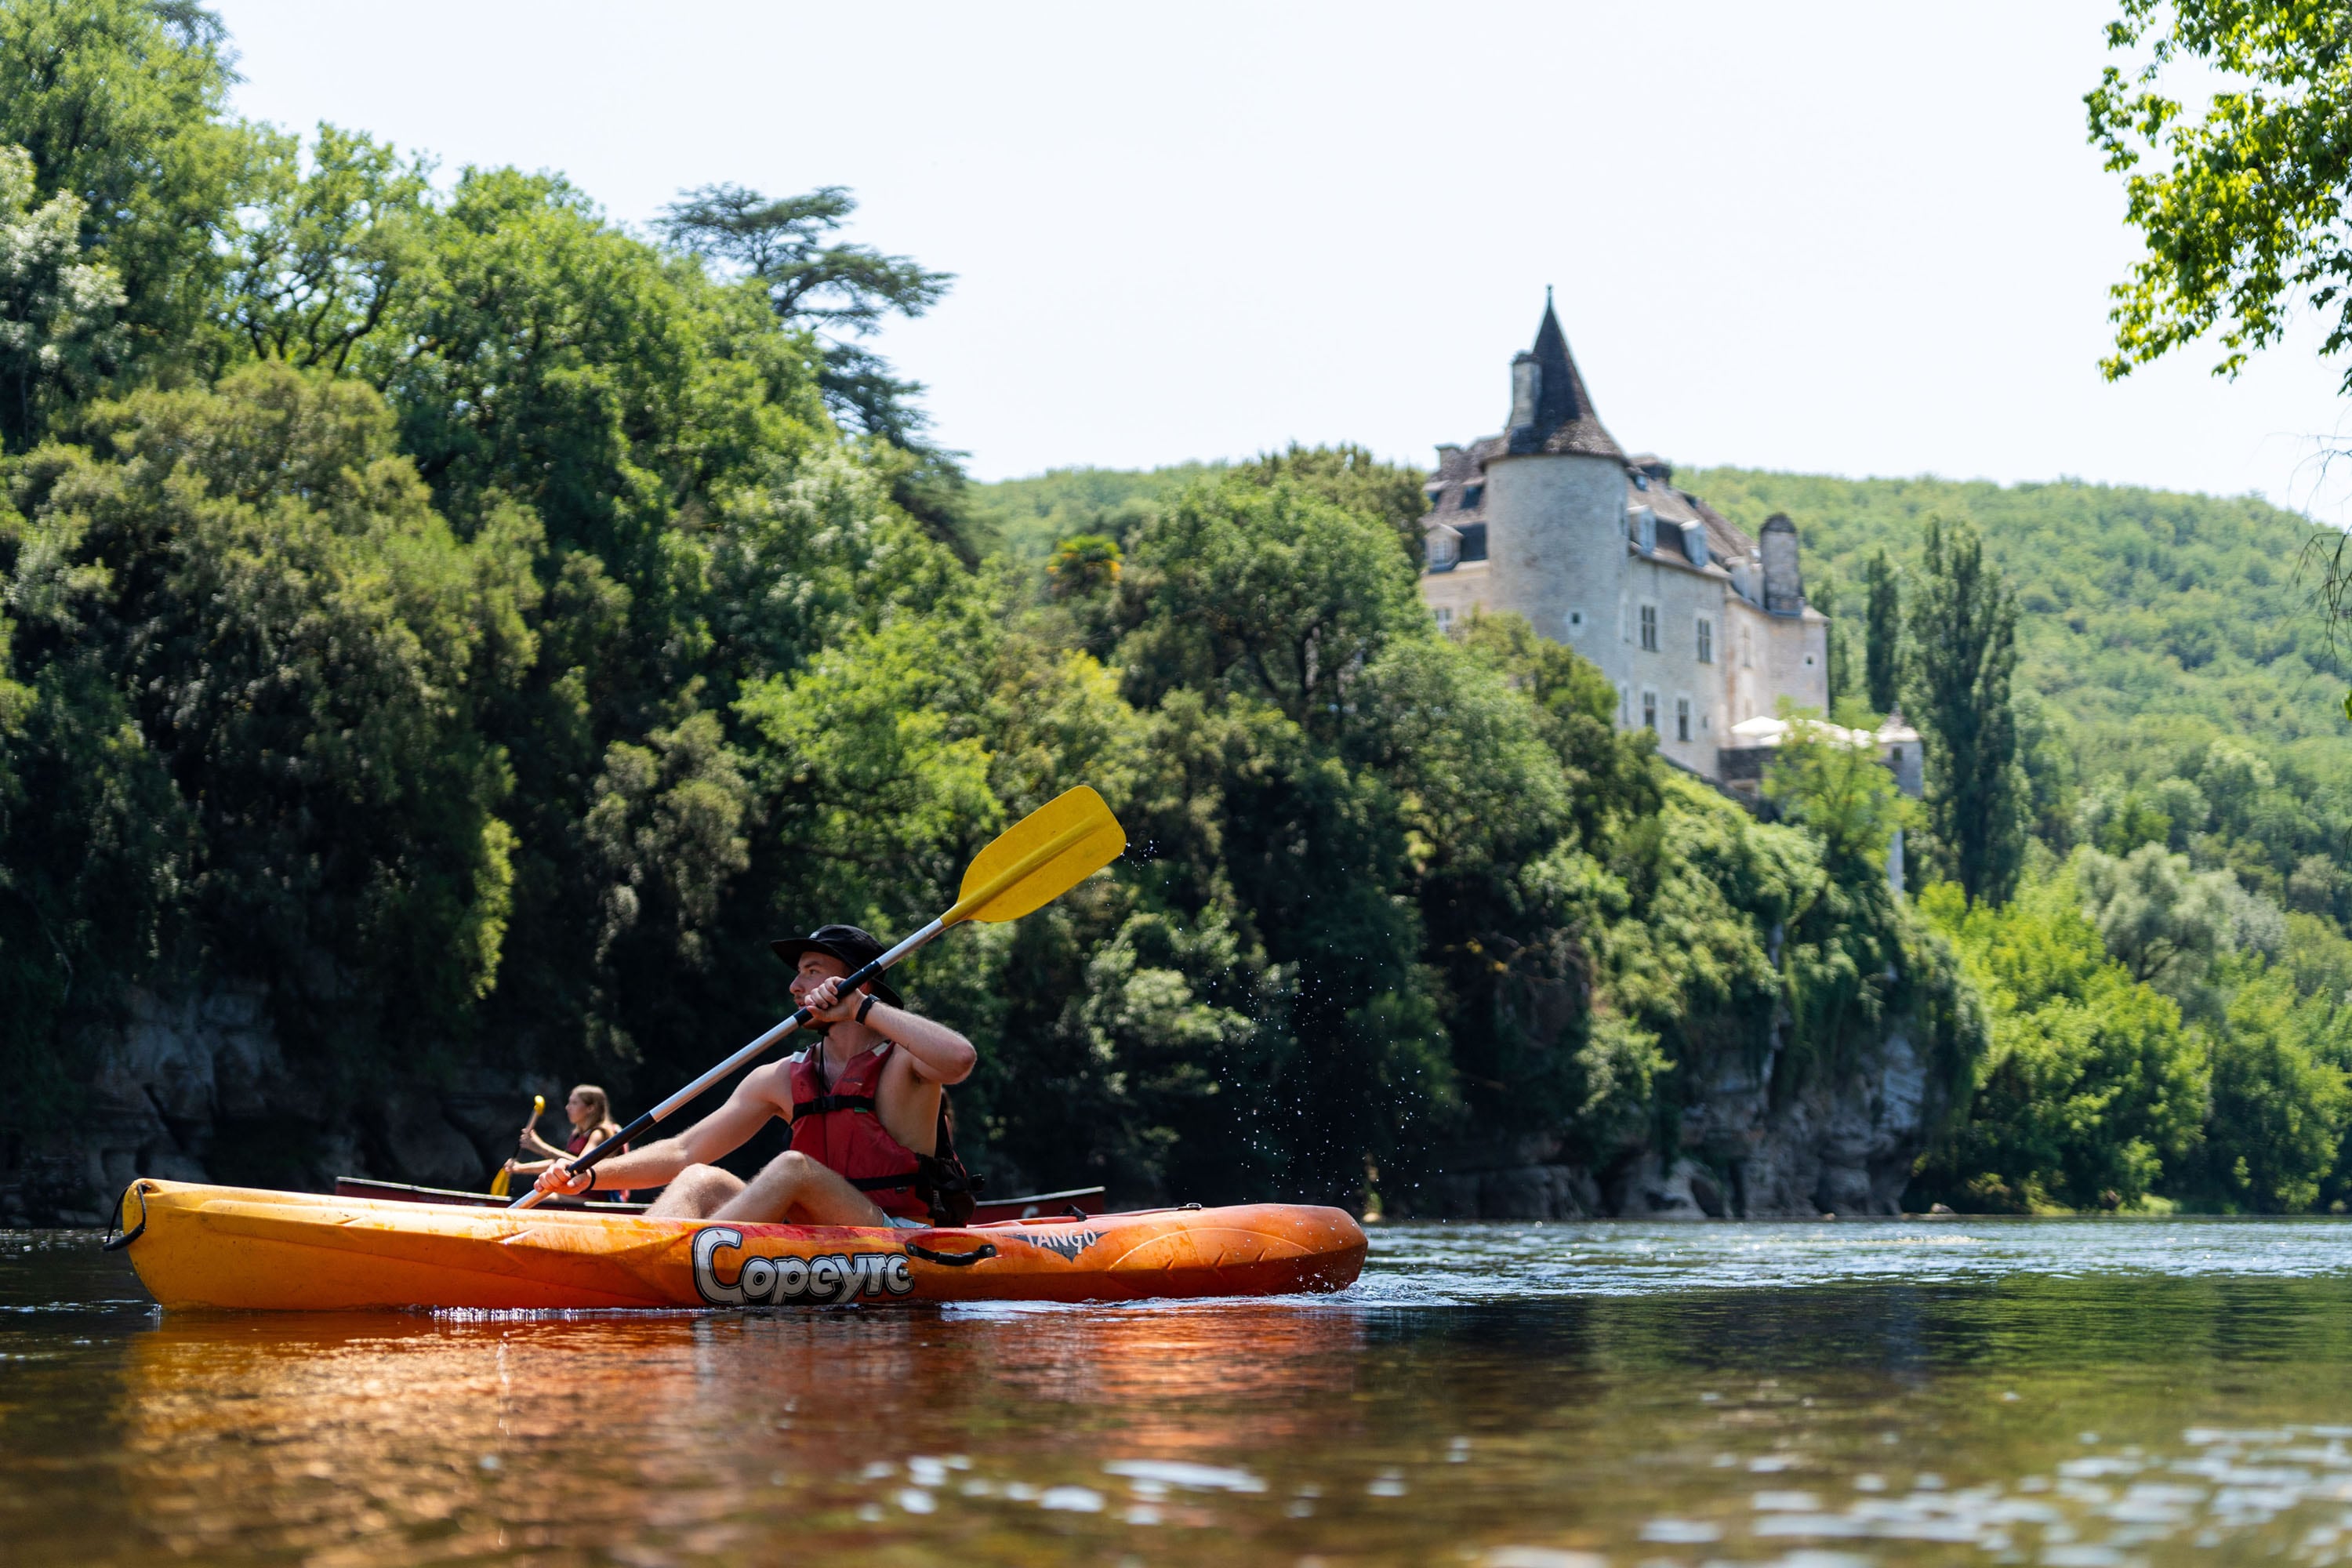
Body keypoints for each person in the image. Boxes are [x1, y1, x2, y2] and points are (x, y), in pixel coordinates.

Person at [531, 926, 979, 1227]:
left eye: (812, 972)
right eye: (798, 974)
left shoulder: (906, 1060)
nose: (795, 987)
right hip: (814, 1241)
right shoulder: (781, 1077)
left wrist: (862, 1007)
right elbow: (684, 1150)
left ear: (857, 984)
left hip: (895, 1235)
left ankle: (682, 1260)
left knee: (794, 1167)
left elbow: (959, 1059)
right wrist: (589, 1175)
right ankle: (647, 1259)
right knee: (699, 1178)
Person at [506, 1083, 632, 1201]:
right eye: (569, 1102)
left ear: (590, 1108)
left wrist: (541, 1147)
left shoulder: (600, 1133)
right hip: (578, 1192)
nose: (568, 1107)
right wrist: (520, 1168)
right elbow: (562, 1163)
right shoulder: (577, 1134)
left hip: (599, 1198)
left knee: (543, 1198)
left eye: (574, 1103)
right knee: (538, 1196)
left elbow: (582, 1165)